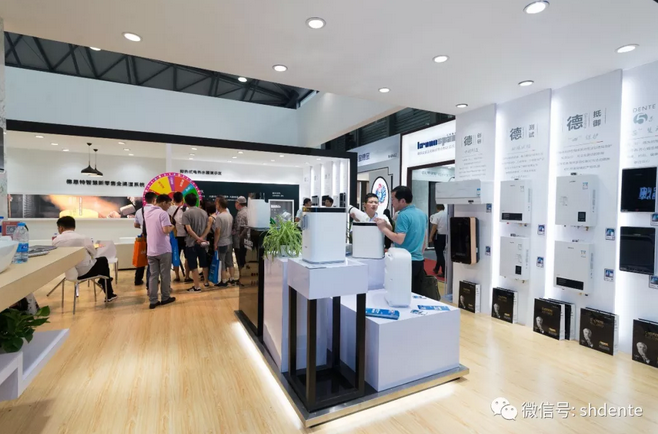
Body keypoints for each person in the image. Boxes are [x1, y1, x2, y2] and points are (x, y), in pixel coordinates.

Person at [375, 186, 428, 295]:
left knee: (402, 294)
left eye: (393, 199)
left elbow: (399, 239)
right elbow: (424, 238)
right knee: (416, 294)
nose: (392, 203)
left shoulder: (403, 215)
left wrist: (383, 228)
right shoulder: (422, 214)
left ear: (402, 201)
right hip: (419, 261)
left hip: (405, 261)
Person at [53, 216, 117, 302]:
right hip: (86, 272)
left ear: (61, 228)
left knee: (102, 264)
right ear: (74, 226)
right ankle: (108, 292)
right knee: (103, 260)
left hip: (69, 273)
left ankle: (104, 281)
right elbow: (94, 253)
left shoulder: (56, 241)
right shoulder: (83, 238)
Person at [145, 194, 176, 309]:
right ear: (163, 202)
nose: (169, 207)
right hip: (163, 249)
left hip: (151, 250)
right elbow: (165, 230)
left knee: (153, 276)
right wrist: (172, 226)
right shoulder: (163, 214)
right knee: (165, 274)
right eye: (168, 204)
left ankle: (153, 301)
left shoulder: (147, 212)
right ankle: (165, 297)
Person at [182, 193, 212, 292]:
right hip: (202, 243)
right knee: (204, 263)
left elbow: (189, 229)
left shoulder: (186, 214)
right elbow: (208, 227)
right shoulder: (204, 212)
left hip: (191, 242)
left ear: (186, 202)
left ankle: (196, 286)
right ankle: (206, 282)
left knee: (193, 264)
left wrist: (197, 238)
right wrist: (201, 238)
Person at [133, 194, 157, 287]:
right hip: (154, 238)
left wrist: (143, 226)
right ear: (154, 200)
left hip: (143, 237)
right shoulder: (156, 210)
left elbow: (135, 225)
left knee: (141, 257)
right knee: (152, 259)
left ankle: (138, 279)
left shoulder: (139, 211)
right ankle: (151, 281)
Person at [214, 195, 237, 287]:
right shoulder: (229, 215)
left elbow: (217, 231)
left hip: (222, 243)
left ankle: (223, 281)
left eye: (216, 204)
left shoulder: (219, 217)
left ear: (219, 205)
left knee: (222, 262)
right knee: (230, 261)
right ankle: (232, 278)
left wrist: (215, 243)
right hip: (229, 241)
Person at [167, 191, 189, 283]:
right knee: (187, 257)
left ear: (173, 199)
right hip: (186, 236)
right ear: (182, 199)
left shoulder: (169, 209)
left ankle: (177, 276)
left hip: (175, 237)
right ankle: (187, 276)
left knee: (175, 256)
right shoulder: (186, 209)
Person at [429, 204, 448, 276]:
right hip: (446, 236)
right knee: (440, 253)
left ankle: (444, 271)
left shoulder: (437, 215)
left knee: (439, 254)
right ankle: (436, 268)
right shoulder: (447, 215)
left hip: (439, 236)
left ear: (437, 208)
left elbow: (434, 227)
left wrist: (430, 237)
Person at [233, 196, 249, 271]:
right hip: (246, 240)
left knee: (240, 259)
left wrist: (239, 236)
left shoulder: (241, 213)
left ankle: (241, 274)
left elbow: (241, 227)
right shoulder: (248, 211)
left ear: (238, 203)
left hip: (240, 241)